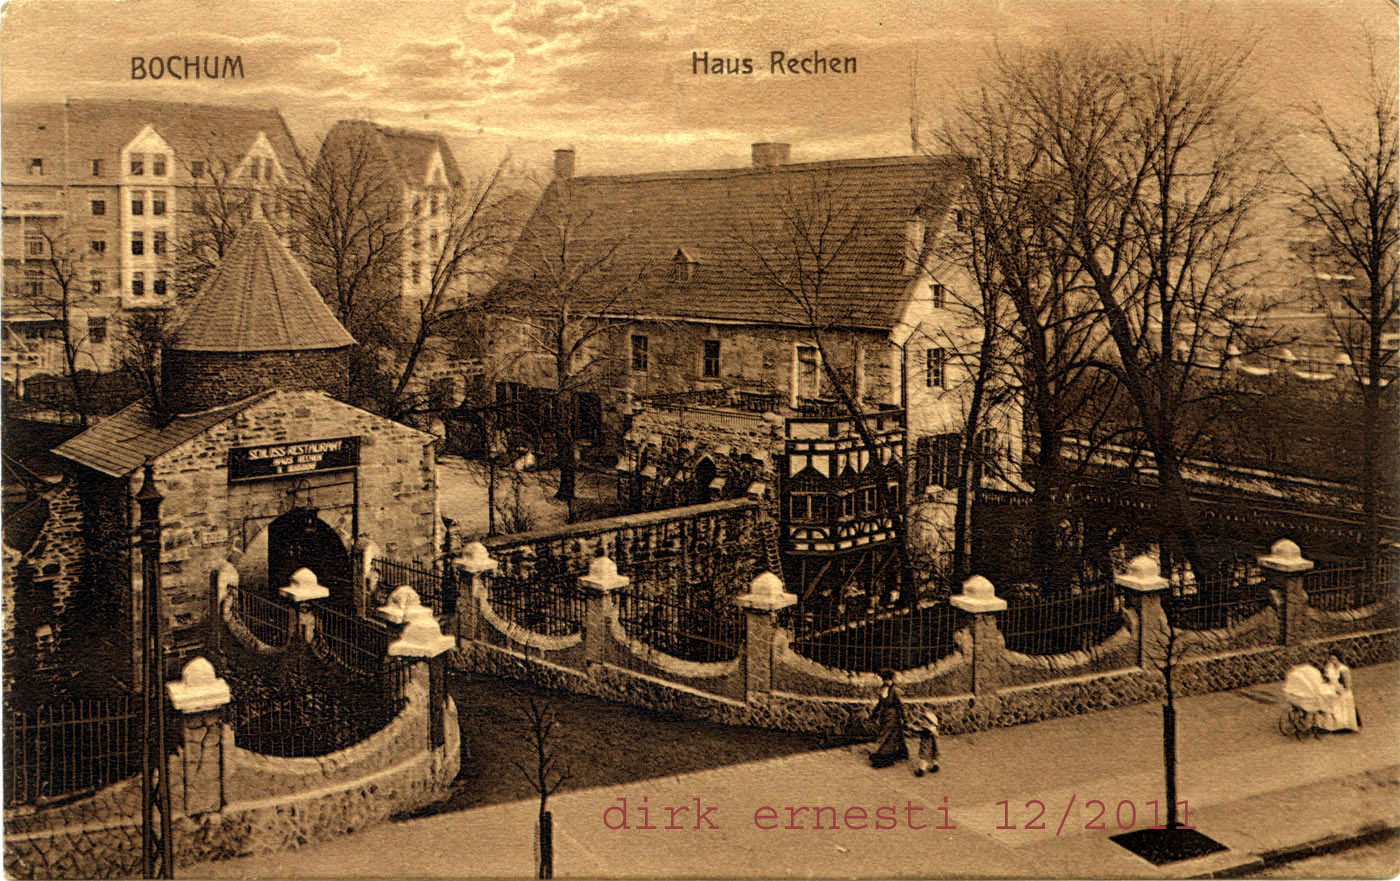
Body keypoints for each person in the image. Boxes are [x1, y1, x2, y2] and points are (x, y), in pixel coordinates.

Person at [868, 668, 907, 768]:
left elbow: (900, 705)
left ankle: (883, 757)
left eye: (886, 679)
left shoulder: (895, 690)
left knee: (887, 736)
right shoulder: (883, 688)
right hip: (885, 715)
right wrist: (874, 713)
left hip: (893, 716)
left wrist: (904, 718)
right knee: (895, 735)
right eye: (884, 680)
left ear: (890, 679)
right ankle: (901, 753)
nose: (885, 682)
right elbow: (880, 703)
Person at [1319, 653, 1361, 732]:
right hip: (1334, 689)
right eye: (1331, 659)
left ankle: (1345, 725)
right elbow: (1327, 678)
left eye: (1334, 659)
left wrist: (1341, 690)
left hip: (1344, 691)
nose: (1333, 661)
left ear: (1338, 659)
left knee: (1339, 703)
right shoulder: (1331, 668)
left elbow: (1347, 684)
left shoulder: (1343, 669)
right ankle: (1332, 725)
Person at [906, 707, 940, 777]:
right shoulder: (934, 719)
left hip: (926, 738)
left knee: (924, 753)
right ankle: (935, 765)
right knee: (934, 751)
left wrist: (911, 727)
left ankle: (921, 770)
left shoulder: (925, 720)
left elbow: (920, 728)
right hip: (934, 737)